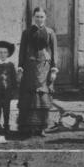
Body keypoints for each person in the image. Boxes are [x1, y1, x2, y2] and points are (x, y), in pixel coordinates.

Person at [17, 7, 58, 137]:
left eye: (42, 17)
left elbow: (54, 51)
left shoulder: (50, 33)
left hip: (44, 67)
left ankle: (41, 127)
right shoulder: (27, 32)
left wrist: (54, 69)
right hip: (30, 67)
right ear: (33, 18)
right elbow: (22, 51)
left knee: (42, 96)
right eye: (37, 17)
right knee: (29, 96)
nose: (39, 19)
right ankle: (28, 127)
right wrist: (20, 67)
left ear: (45, 18)